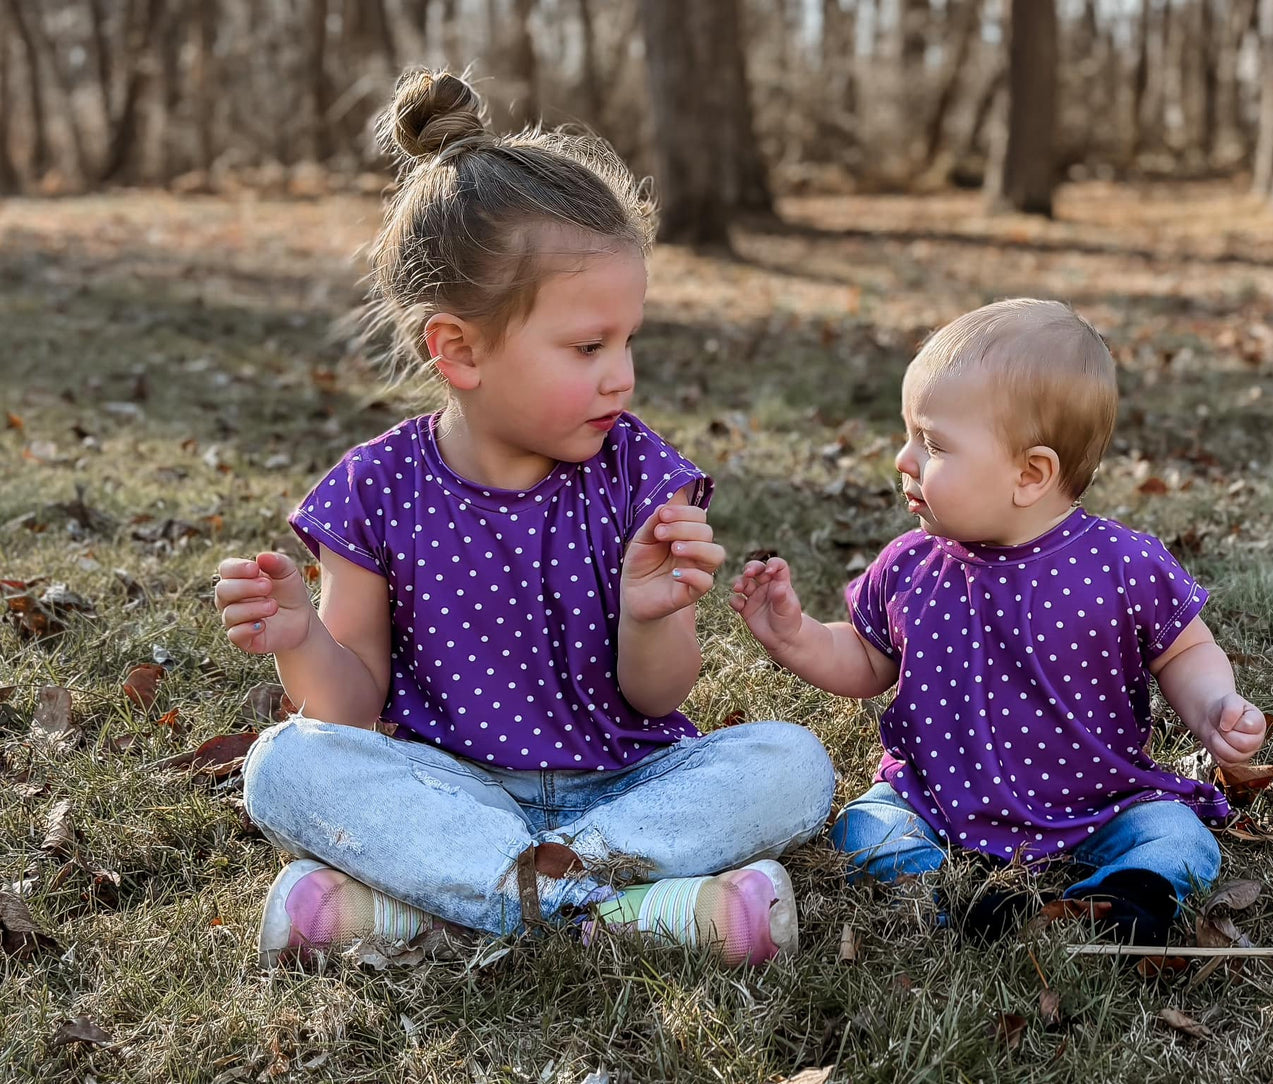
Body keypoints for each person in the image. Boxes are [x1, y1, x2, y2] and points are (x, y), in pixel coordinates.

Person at [213, 69, 833, 969]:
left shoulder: (640, 474)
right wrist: (301, 637)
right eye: (586, 348)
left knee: (793, 762)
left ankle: (447, 909)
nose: (619, 376)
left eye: (627, 342)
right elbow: (348, 712)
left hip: (629, 788)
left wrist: (650, 613)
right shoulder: (376, 488)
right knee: (284, 765)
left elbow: (659, 699)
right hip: (449, 791)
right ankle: (629, 915)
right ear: (459, 350)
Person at [731, 299, 1266, 944]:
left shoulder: (1123, 564)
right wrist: (797, 636)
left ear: (1030, 474)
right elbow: (869, 661)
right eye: (908, 436)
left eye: (930, 444)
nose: (902, 459)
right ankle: (949, 901)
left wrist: (1212, 705)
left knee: (1178, 838)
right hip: (935, 799)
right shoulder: (912, 565)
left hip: (1101, 804)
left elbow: (1183, 651)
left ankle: (1119, 901)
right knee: (867, 829)